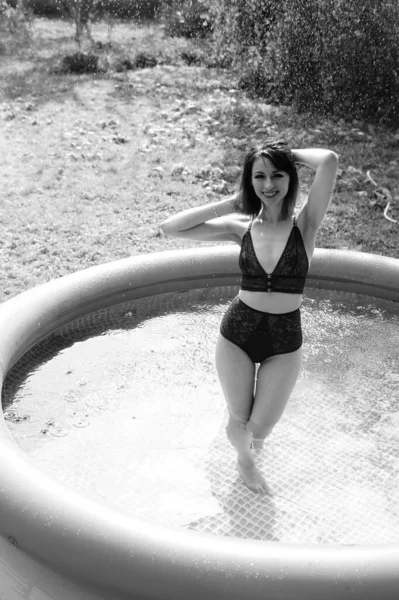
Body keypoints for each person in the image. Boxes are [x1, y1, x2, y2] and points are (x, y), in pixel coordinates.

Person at [161, 140, 338, 494]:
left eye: (277, 175)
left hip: (284, 341)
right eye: (259, 176)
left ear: (290, 178)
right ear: (249, 182)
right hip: (237, 335)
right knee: (240, 419)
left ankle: (248, 447)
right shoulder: (240, 226)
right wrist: (231, 202)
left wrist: (289, 154)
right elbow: (171, 227)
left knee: (260, 429)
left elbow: (329, 161)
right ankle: (244, 461)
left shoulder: (305, 224)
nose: (268, 184)